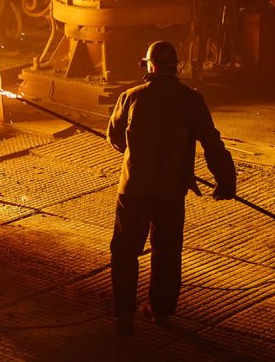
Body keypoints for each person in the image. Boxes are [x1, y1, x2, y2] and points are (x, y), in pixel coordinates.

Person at [106, 40, 237, 336]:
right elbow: (212, 143)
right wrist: (225, 179)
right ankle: (159, 309)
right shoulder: (191, 99)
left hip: (133, 189)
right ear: (175, 67)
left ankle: (125, 311)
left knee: (125, 251)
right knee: (166, 251)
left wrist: (137, 151)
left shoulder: (130, 96)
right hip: (170, 193)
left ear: (149, 67)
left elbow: (114, 138)